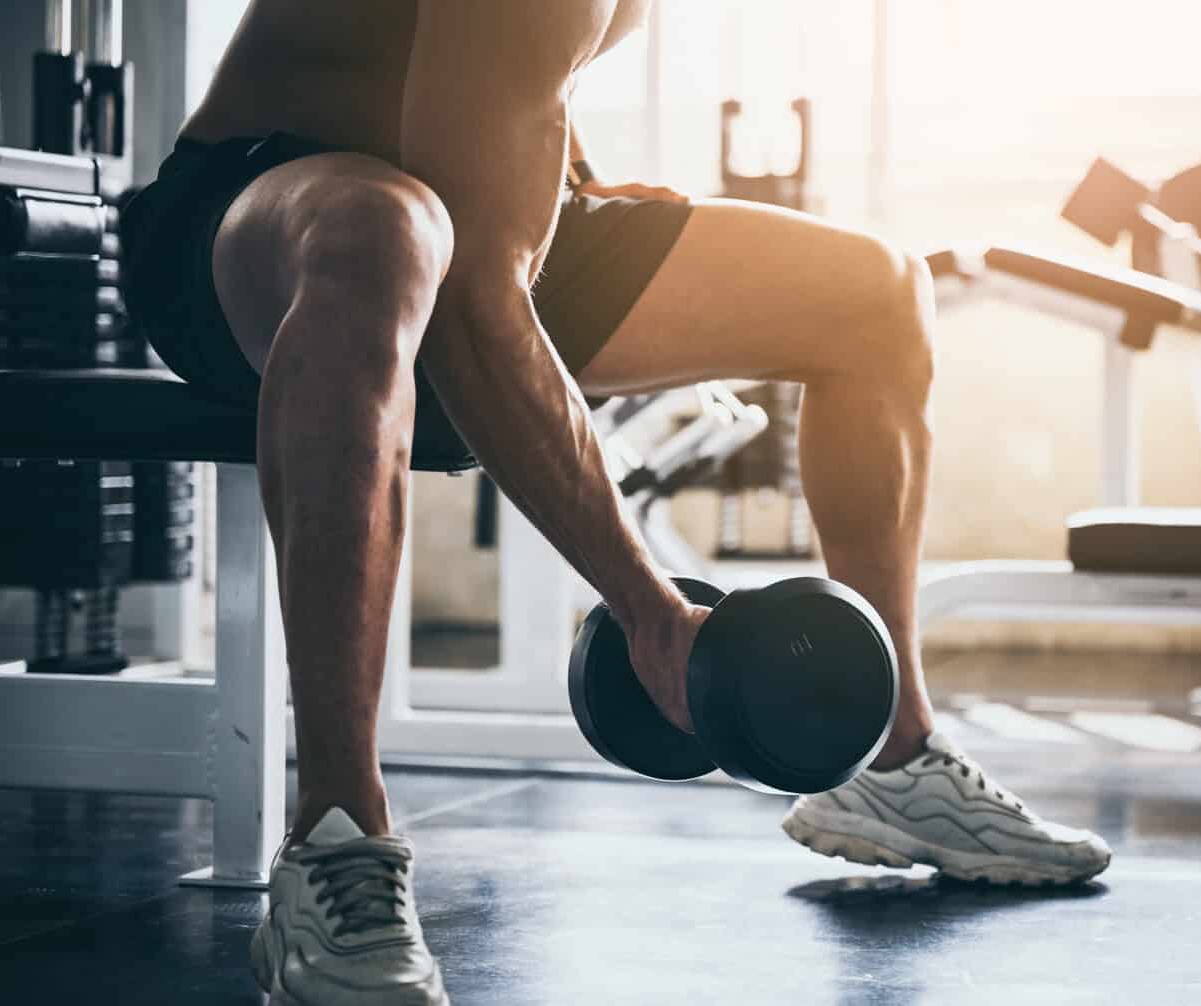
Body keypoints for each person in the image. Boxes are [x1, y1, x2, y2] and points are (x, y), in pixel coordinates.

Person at [121, 2, 1111, 1002]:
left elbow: (491, 80)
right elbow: (473, 307)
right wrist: (648, 607)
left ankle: (891, 755)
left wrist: (575, 183)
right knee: (385, 229)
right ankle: (336, 840)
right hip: (257, 208)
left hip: (448, 211)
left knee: (877, 293)